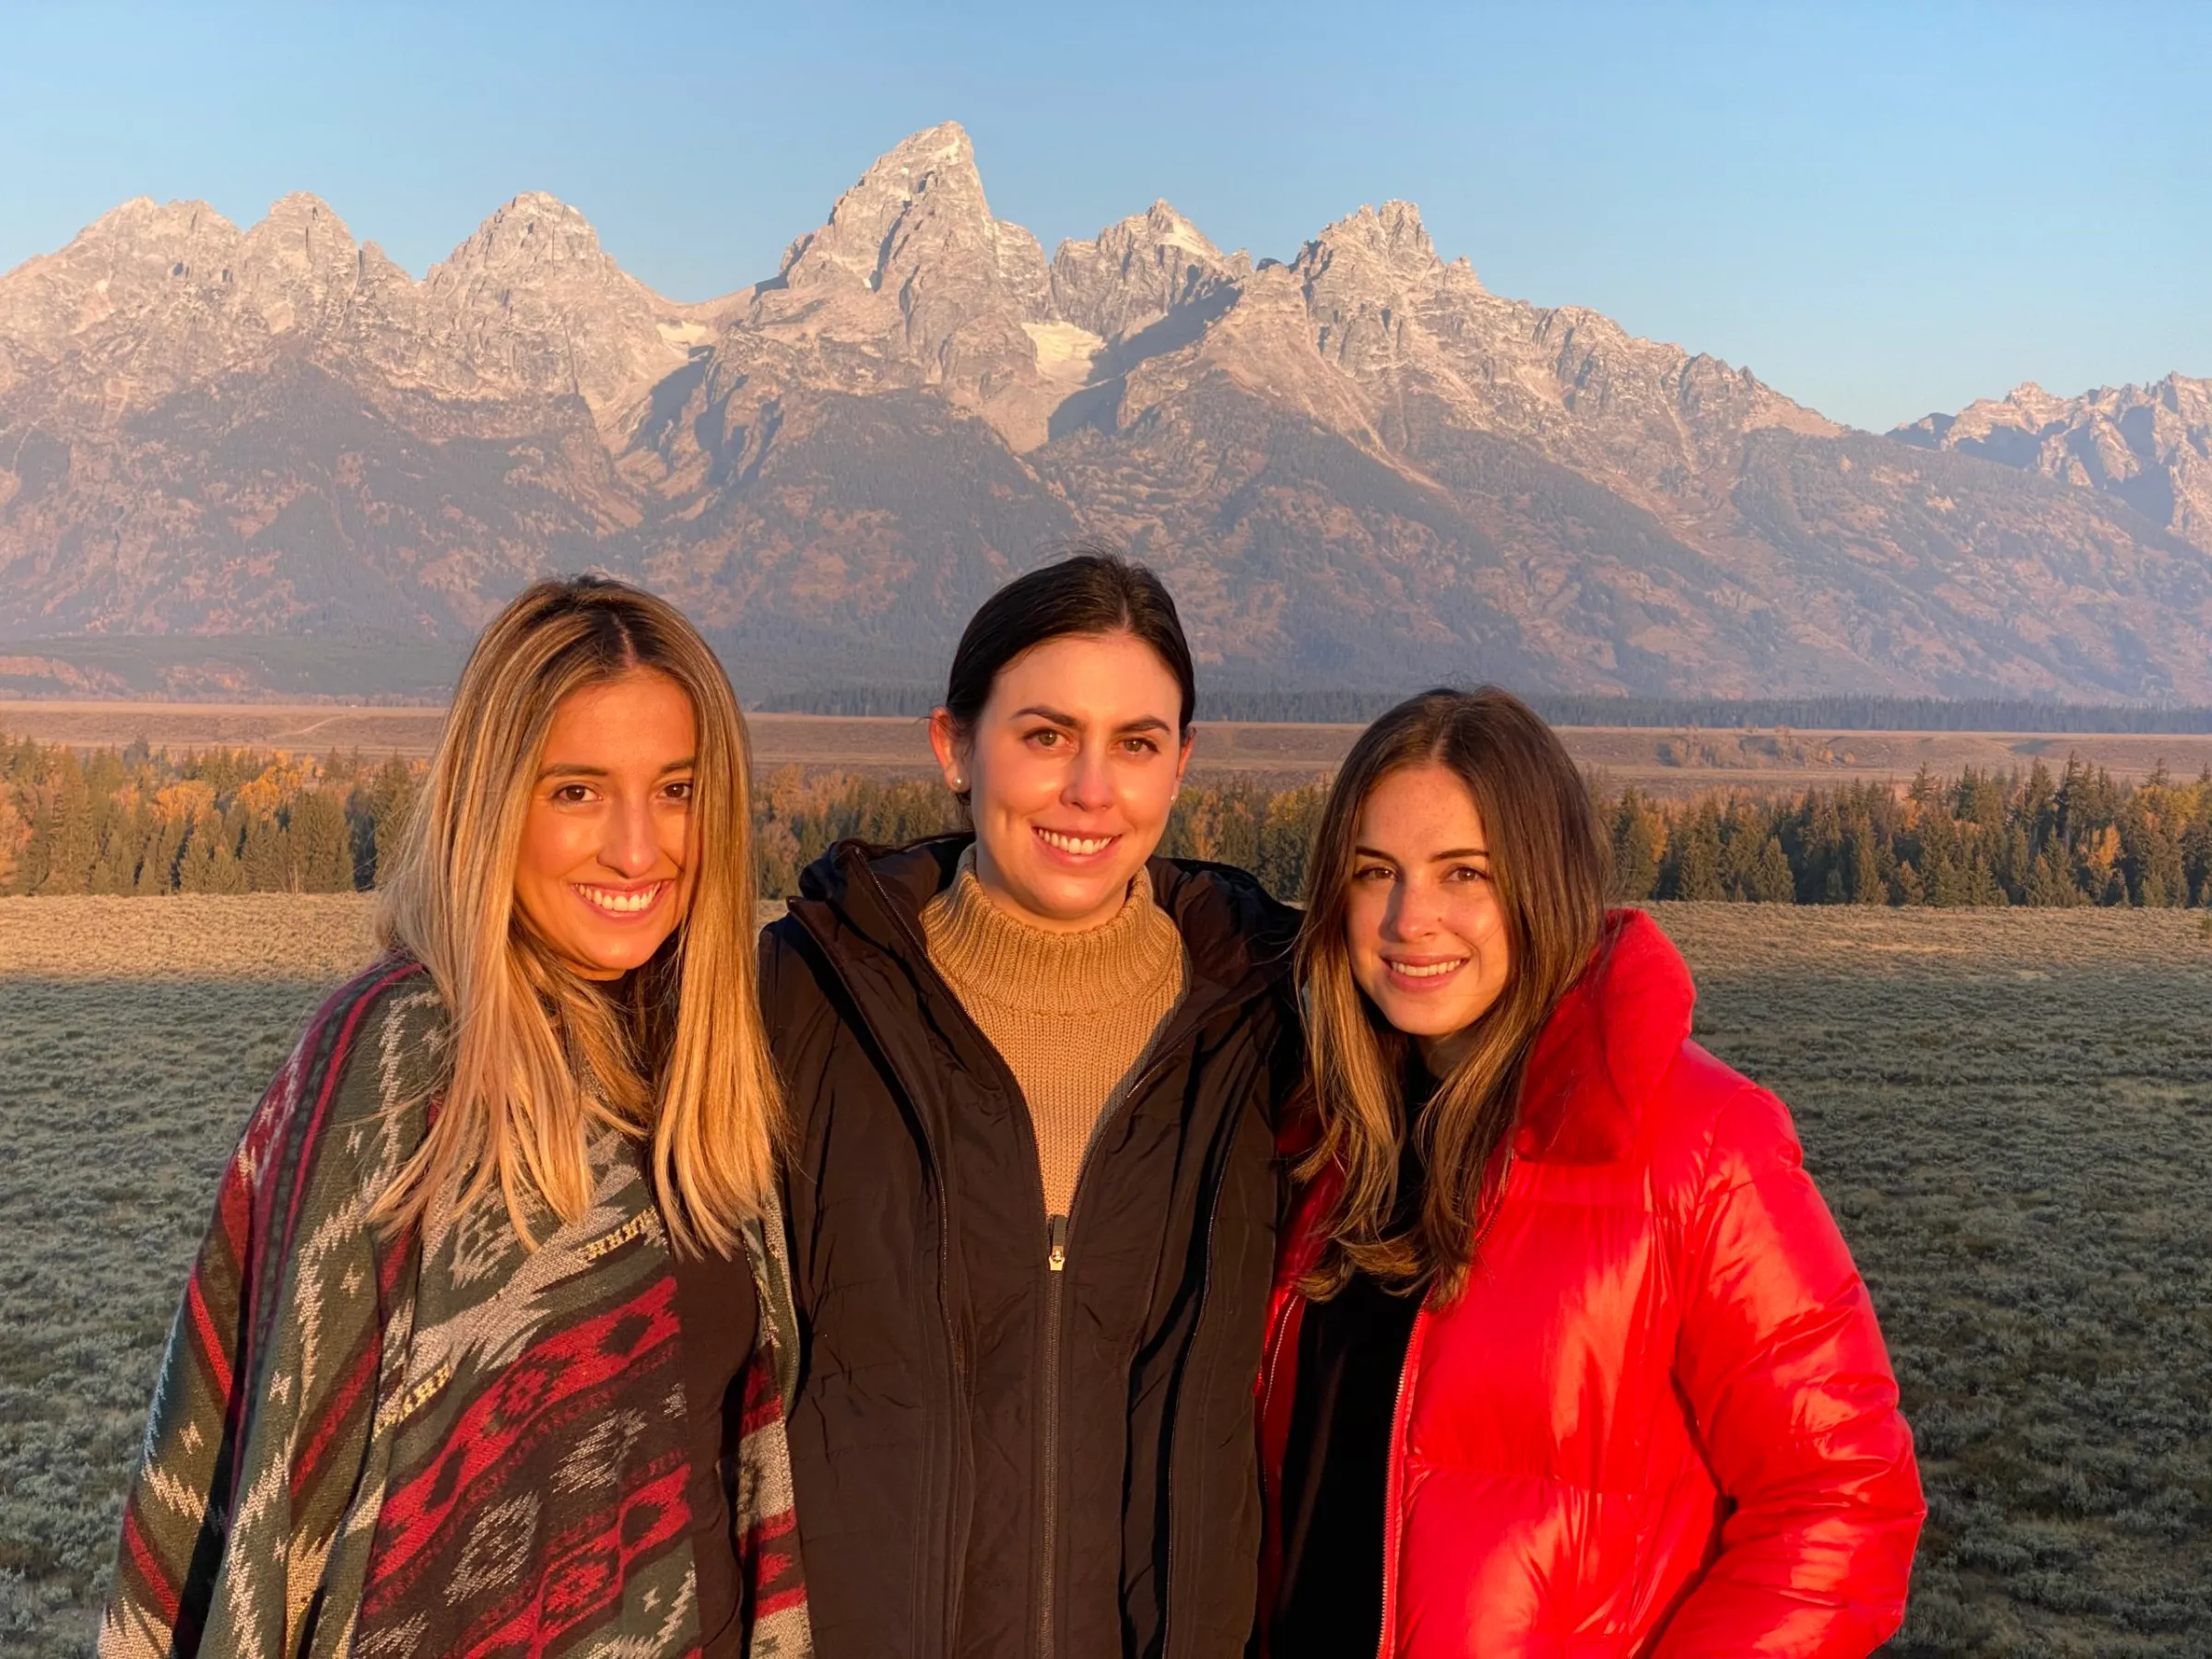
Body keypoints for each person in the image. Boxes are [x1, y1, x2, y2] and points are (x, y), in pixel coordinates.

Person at [100, 577, 809, 1659]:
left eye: (676, 790)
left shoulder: (697, 1066)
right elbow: (281, 1471)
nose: (638, 848)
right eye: (575, 792)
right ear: (492, 802)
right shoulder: (400, 1061)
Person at [1259, 688, 1924, 1658]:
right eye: (1375, 873)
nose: (1411, 920)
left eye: (1464, 875)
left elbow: (1847, 1500)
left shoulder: (1700, 1147)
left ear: (1544, 883)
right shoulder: (1321, 1141)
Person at [763, 549, 1303, 1659]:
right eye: (1045, 736)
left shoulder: (1276, 1029)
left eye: (1137, 745)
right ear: (953, 747)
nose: (1091, 792)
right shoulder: (798, 1005)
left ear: (1182, 765)